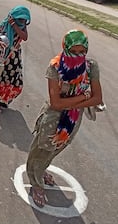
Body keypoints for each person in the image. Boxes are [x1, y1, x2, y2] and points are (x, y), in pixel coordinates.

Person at [26, 29, 103, 208]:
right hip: (52, 118)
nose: (78, 56)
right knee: (41, 149)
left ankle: (42, 170)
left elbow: (98, 98)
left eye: (82, 51)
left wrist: (69, 103)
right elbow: (55, 103)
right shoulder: (55, 67)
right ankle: (36, 184)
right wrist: (84, 97)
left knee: (56, 148)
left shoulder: (90, 67)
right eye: (73, 52)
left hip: (72, 120)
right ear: (65, 47)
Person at [0, 5, 31, 113]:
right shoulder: (4, 25)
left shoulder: (22, 27)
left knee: (16, 81)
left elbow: (24, 37)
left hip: (15, 58)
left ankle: (5, 100)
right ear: (15, 17)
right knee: (2, 80)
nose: (22, 21)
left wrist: (14, 25)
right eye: (20, 19)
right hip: (3, 57)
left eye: (24, 20)